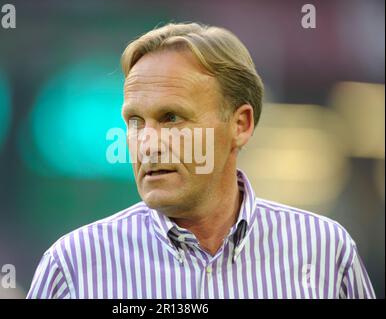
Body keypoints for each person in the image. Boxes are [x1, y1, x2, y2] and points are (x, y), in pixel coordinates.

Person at [27, 22, 375, 299]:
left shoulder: (325, 251)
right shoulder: (74, 266)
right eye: (135, 122)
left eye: (172, 118)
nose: (147, 143)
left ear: (240, 125)